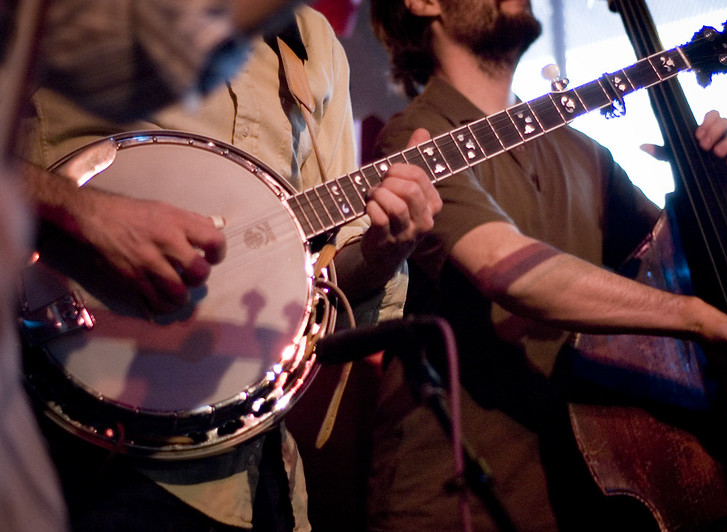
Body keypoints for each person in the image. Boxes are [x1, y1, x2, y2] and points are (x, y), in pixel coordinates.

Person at [366, 0, 727, 531]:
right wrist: (705, 318)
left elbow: (663, 264)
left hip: (585, 499)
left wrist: (716, 196)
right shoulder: (417, 139)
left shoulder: (580, 149)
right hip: (455, 502)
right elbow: (509, 269)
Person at [20, 3, 440, 531]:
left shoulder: (311, 37)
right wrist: (83, 212)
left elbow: (325, 271)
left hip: (249, 461)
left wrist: (384, 250)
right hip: (61, 434)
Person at [1, 1, 311, 531]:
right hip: (57, 400)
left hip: (243, 449)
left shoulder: (310, 44)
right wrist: (81, 210)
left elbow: (136, 58)